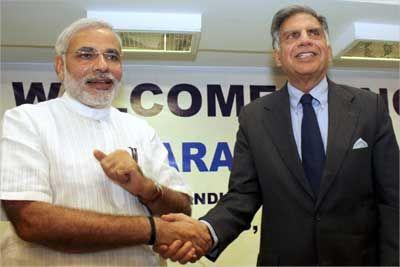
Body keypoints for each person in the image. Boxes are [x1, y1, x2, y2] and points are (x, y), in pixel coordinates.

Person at [155, 4, 399, 266]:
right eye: (292, 36)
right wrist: (206, 231)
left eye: (314, 33)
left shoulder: (369, 108)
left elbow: (393, 199)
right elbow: (243, 196)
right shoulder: (254, 117)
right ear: (279, 56)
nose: (305, 39)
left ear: (327, 50)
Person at [0, 18, 199, 266]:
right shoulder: (27, 120)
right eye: (86, 55)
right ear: (60, 66)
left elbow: (182, 211)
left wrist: (147, 189)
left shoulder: (140, 129)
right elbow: (31, 221)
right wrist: (153, 230)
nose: (102, 66)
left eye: (112, 56)